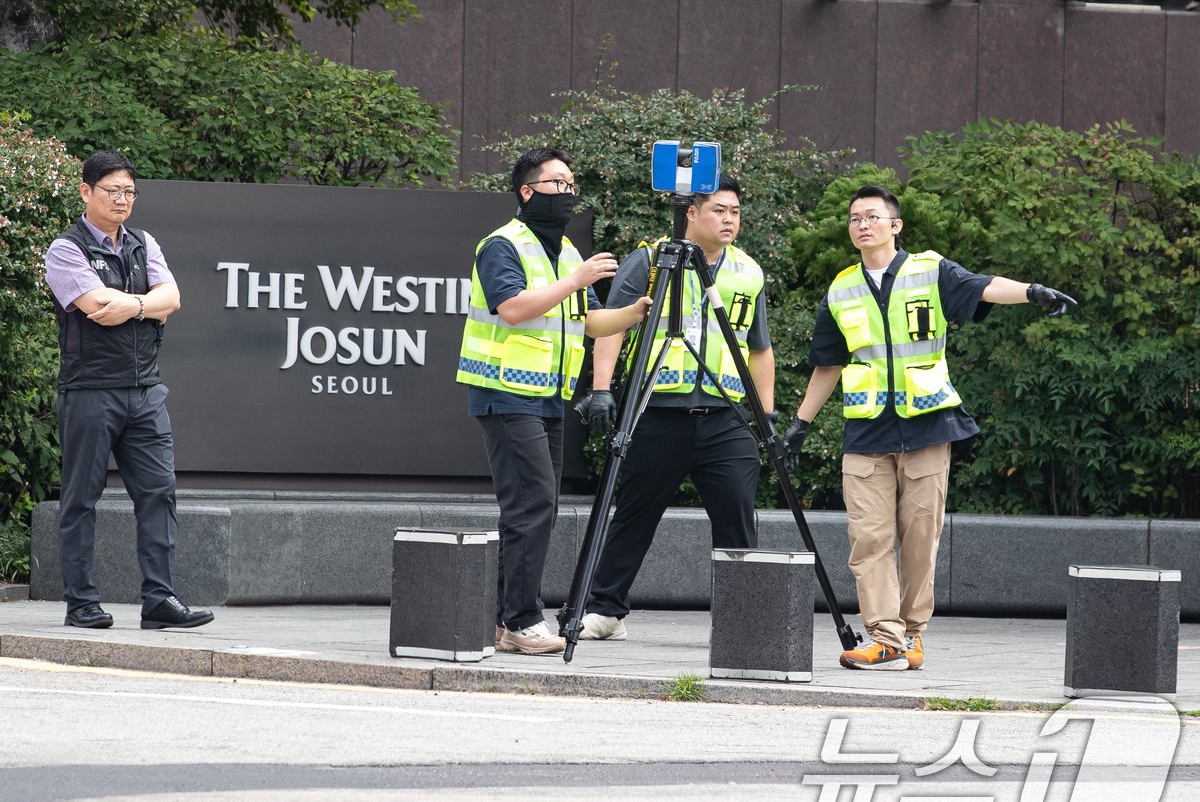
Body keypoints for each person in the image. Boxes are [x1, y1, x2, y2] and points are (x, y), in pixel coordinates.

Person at [784, 184, 1076, 671]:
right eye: (854, 218)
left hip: (926, 426)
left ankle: (913, 634)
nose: (862, 225)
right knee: (868, 539)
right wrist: (800, 424)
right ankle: (884, 636)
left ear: (895, 225)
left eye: (872, 216)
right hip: (866, 431)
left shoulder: (930, 271)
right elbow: (828, 365)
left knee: (920, 538)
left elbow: (983, 286)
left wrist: (1032, 293)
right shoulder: (841, 289)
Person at [457, 147, 651, 655]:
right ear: (528, 192)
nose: (568, 193)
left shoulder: (564, 252)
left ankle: (508, 623)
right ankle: (522, 620)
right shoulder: (503, 245)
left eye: (571, 185)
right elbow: (514, 309)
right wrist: (577, 280)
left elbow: (589, 322)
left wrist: (635, 312)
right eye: (557, 184)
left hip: (547, 397)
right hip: (505, 391)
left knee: (533, 505)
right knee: (532, 503)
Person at [576, 175, 775, 641]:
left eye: (735, 212)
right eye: (719, 210)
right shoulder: (649, 261)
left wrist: (765, 413)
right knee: (633, 513)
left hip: (726, 415)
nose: (729, 220)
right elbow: (611, 326)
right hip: (657, 410)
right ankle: (606, 610)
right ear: (690, 212)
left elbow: (759, 347)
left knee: (737, 518)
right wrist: (602, 388)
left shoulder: (748, 271)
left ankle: (741, 619)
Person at [44, 150, 214, 631]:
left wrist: (133, 305)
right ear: (86, 192)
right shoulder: (66, 249)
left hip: (145, 391)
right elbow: (94, 304)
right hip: (90, 390)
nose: (122, 200)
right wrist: (147, 304)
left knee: (159, 494)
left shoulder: (143, 243)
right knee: (81, 497)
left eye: (129, 192)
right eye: (112, 191)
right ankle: (81, 602)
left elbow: (173, 298)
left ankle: (159, 600)